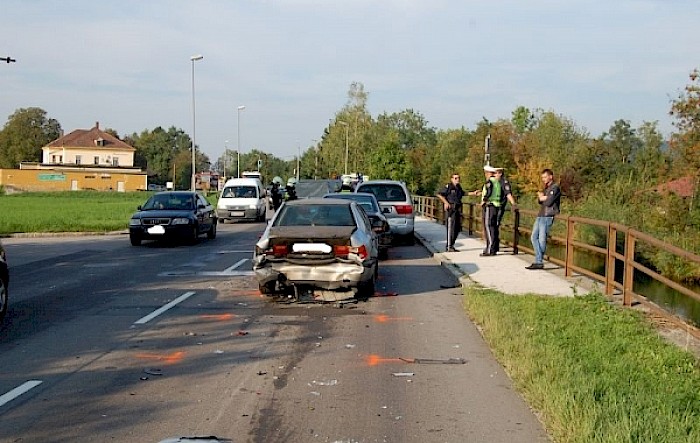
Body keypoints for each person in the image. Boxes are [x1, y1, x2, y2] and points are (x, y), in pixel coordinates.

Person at [526, 168, 561, 270]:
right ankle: (539, 260)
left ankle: (538, 261)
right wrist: (542, 198)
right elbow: (541, 200)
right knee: (533, 237)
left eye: (545, 177)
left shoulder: (555, 188)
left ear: (551, 176)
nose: (543, 179)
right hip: (541, 214)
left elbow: (549, 202)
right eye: (542, 177)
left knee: (541, 239)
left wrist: (543, 198)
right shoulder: (547, 188)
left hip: (548, 215)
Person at [437, 173, 465, 252]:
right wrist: (446, 202)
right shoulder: (449, 186)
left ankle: (452, 245)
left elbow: (463, 193)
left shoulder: (458, 187)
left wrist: (473, 193)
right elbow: (439, 194)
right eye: (455, 178)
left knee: (457, 228)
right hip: (451, 209)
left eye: (458, 178)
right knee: (451, 228)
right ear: (452, 179)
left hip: (458, 208)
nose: (457, 179)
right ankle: (449, 246)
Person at [478, 165, 501, 256]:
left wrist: (484, 201)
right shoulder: (497, 182)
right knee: (493, 227)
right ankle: (493, 248)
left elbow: (489, 192)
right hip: (496, 206)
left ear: (487, 173)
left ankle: (490, 248)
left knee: (488, 227)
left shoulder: (489, 182)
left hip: (490, 205)